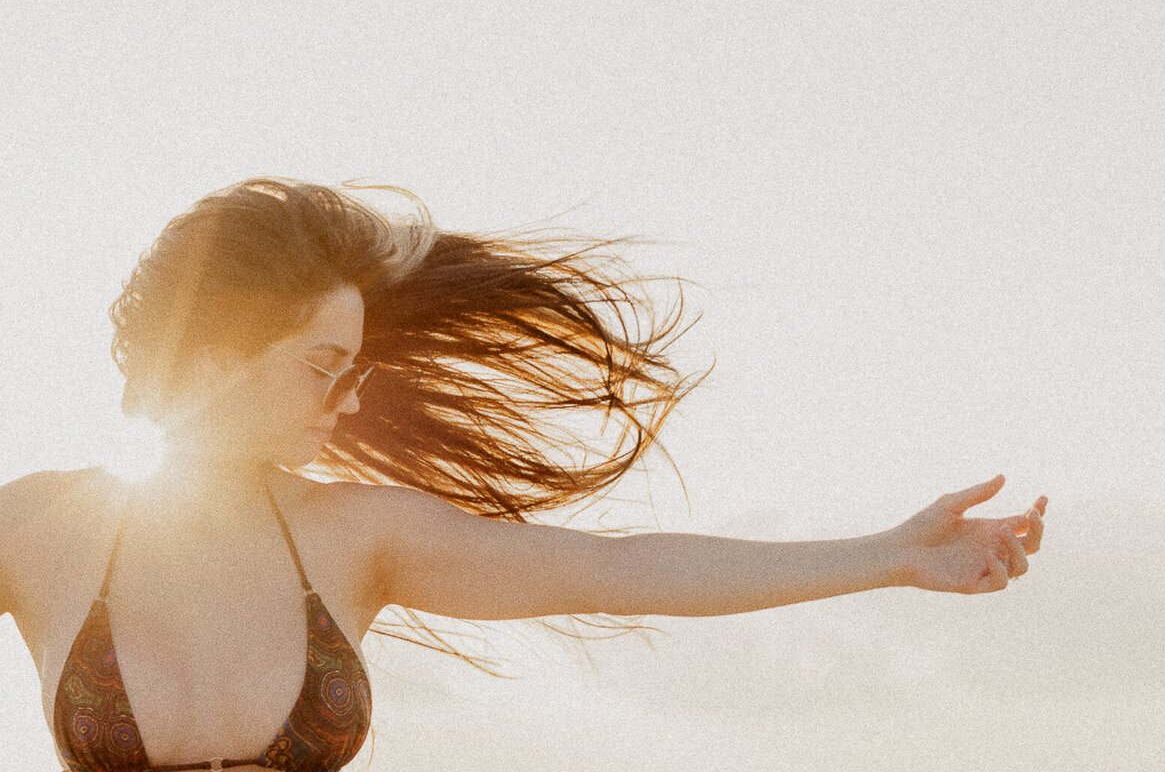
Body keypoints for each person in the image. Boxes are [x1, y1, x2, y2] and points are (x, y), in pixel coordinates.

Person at [0, 177, 1047, 772]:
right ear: (218, 354)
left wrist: (893, 558)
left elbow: (617, 572)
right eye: (322, 367)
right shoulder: (42, 530)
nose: (350, 400)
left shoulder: (356, 537)